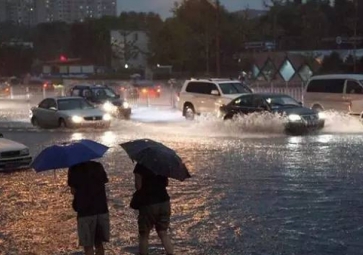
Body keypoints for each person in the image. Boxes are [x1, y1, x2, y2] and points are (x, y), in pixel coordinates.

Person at [68, 160, 110, 255]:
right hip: (101, 209)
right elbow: (104, 181)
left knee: (88, 246)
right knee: (99, 244)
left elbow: (73, 191)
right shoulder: (98, 166)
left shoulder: (73, 169)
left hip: (85, 212)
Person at [133, 163, 174, 255]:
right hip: (164, 201)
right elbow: (166, 183)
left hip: (148, 203)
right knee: (163, 232)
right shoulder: (162, 165)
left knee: (144, 234)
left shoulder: (140, 166)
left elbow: (138, 187)